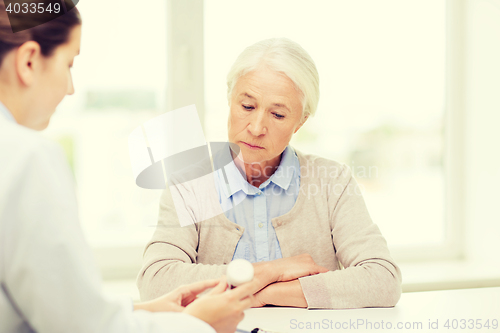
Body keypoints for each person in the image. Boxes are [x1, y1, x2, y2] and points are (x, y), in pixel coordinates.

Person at [0, 3, 256, 333]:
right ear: (29, 61)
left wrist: (143, 310)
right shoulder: (27, 157)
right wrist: (198, 324)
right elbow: (79, 328)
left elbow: (46, 307)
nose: (70, 87)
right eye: (69, 64)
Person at [137, 38, 403, 309]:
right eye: (247, 107)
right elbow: (156, 283)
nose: (256, 127)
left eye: (277, 115)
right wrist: (272, 271)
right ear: (230, 101)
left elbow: (383, 279)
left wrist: (257, 293)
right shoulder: (188, 185)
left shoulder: (332, 181)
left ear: (300, 123)